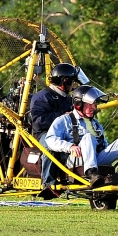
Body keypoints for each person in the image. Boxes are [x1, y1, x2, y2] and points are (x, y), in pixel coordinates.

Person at [44, 85, 118, 189]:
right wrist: (69, 146)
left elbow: (104, 145)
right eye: (91, 104)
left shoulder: (95, 123)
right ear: (78, 104)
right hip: (75, 160)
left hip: (96, 159)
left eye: (95, 104)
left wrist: (117, 152)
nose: (94, 107)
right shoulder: (64, 120)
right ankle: (91, 173)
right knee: (88, 137)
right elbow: (49, 139)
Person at [28, 63, 78, 191]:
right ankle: (48, 183)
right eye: (72, 82)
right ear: (64, 82)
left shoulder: (67, 98)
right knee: (51, 146)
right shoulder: (41, 97)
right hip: (44, 133)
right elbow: (39, 121)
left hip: (65, 132)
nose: (74, 85)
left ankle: (79, 175)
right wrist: (62, 116)